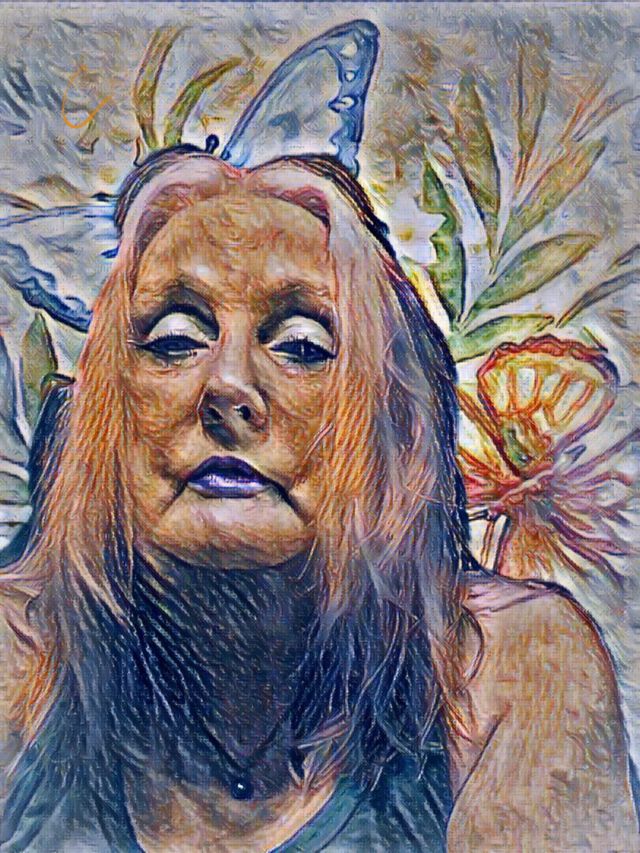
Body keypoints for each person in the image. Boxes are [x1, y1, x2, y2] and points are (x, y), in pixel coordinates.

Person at [0, 148, 637, 852]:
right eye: (175, 339)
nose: (228, 386)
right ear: (107, 415)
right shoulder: (20, 654)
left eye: (302, 346)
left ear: (392, 425)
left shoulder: (506, 666)